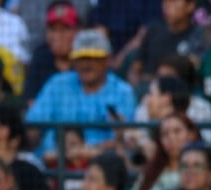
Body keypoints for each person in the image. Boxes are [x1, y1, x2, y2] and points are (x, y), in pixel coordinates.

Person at [26, 29, 136, 166]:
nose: (86, 64)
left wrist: (85, 151)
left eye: (93, 58)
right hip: (54, 165)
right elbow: (33, 125)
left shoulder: (122, 91)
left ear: (107, 60)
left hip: (102, 166)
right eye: (81, 58)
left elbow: (124, 139)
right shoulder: (58, 84)